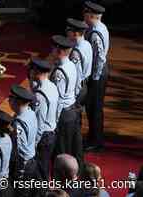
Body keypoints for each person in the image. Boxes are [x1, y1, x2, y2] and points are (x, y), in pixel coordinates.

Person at [50, 35, 83, 172]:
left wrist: (54, 121)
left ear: (59, 50)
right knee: (74, 149)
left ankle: (63, 185)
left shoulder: (59, 72)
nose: (52, 50)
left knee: (62, 153)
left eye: (54, 48)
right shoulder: (71, 65)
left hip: (63, 114)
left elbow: (57, 99)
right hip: (73, 110)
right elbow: (77, 87)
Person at [83, 1, 110, 152]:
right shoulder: (100, 27)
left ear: (91, 15)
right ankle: (94, 137)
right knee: (94, 108)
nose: (83, 16)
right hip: (99, 72)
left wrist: (94, 77)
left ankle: (96, 141)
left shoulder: (95, 34)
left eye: (85, 13)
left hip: (98, 74)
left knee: (94, 108)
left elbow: (99, 57)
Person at [29, 58, 59, 181]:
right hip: (51, 132)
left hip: (43, 137)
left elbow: (39, 123)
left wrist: (34, 143)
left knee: (40, 172)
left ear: (36, 72)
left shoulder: (40, 95)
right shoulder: (52, 86)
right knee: (44, 168)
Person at [8, 84, 40, 197]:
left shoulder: (19, 124)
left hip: (23, 166)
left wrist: (20, 173)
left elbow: (21, 151)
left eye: (10, 98)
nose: (8, 100)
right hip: (32, 160)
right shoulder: (30, 113)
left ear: (16, 101)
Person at [66, 18, 93, 105]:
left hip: (78, 88)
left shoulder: (76, 53)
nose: (67, 33)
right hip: (85, 85)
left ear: (75, 33)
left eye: (69, 31)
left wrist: (74, 94)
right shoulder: (87, 44)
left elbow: (77, 74)